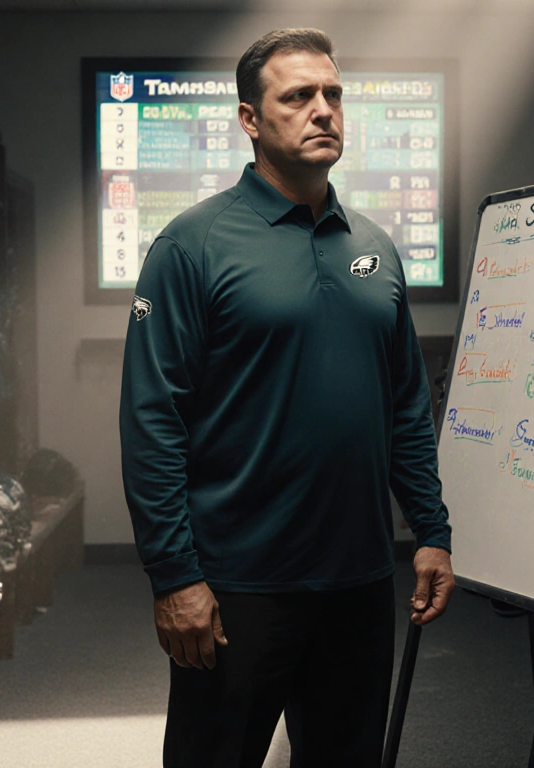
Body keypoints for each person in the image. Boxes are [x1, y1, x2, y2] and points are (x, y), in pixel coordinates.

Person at [119, 28, 454, 768]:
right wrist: (174, 575)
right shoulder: (191, 245)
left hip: (359, 580)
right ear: (250, 119)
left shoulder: (374, 244)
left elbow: (404, 403)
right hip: (239, 585)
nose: (323, 111)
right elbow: (152, 419)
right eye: (298, 96)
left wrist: (430, 528)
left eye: (332, 94)